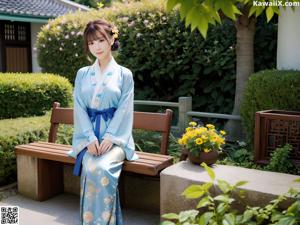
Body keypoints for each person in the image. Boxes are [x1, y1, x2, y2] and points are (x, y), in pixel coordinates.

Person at [68, 19, 138, 225]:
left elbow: (125, 110)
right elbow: (79, 107)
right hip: (88, 137)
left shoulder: (124, 74)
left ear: (111, 40)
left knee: (102, 169)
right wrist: (89, 138)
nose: (96, 47)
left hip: (116, 138)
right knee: (91, 168)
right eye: (91, 43)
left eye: (100, 40)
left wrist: (110, 137)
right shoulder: (83, 74)